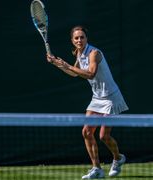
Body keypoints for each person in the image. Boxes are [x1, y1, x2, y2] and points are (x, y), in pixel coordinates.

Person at [47, 25, 129, 179]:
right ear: (72, 40)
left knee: (104, 136)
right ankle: (97, 168)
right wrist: (57, 64)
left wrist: (67, 65)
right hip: (97, 98)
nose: (79, 40)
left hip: (111, 97)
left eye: (82, 37)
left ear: (86, 38)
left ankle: (118, 158)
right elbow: (73, 73)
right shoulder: (79, 53)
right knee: (86, 132)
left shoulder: (94, 53)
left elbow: (90, 74)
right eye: (76, 38)